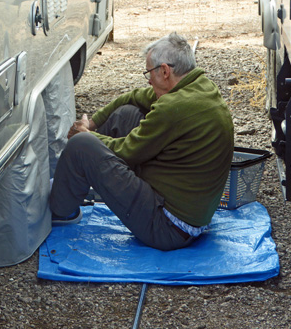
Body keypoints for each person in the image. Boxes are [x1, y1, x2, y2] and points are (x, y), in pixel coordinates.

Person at [49, 32, 234, 251]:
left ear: (164, 71)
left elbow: (127, 151)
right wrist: (93, 123)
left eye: (149, 73)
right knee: (126, 114)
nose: (147, 80)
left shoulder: (174, 108)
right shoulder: (199, 87)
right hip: (189, 215)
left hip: (168, 228)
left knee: (81, 146)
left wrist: (87, 135)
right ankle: (73, 182)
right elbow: (134, 96)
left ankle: (60, 211)